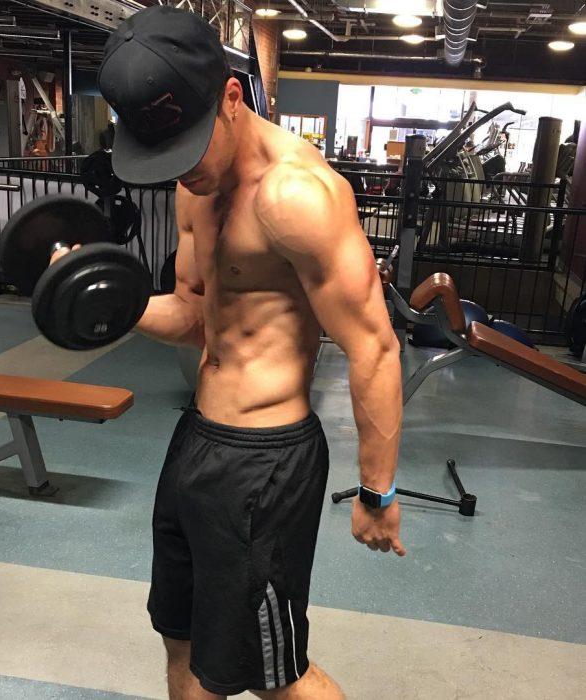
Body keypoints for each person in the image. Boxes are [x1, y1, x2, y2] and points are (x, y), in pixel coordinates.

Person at [66, 6, 405, 698]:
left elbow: (373, 345)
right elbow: (196, 316)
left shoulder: (297, 197)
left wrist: (378, 490)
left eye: (189, 148)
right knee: (182, 637)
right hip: (197, 441)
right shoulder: (194, 189)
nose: (182, 171)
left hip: (267, 464)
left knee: (274, 675)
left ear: (230, 97)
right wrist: (106, 300)